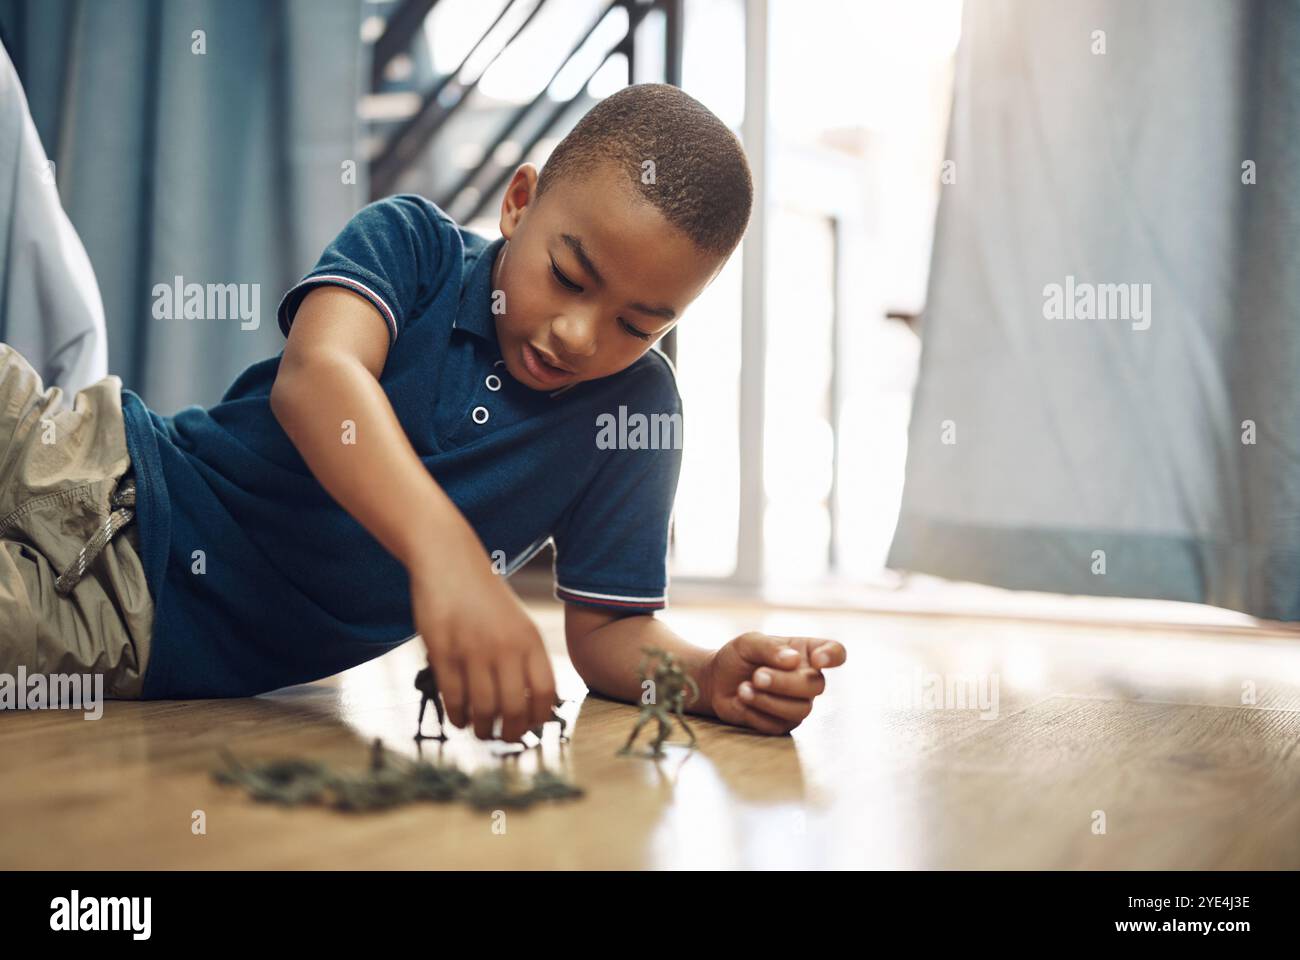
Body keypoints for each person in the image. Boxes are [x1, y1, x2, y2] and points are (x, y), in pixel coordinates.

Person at [0, 82, 844, 739]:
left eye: (638, 324)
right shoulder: (412, 243)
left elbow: (610, 633)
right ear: (520, 203)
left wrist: (703, 678)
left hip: (139, 624)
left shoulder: (636, 415)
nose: (581, 334)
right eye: (570, 276)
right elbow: (316, 380)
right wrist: (450, 554)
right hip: (93, 448)